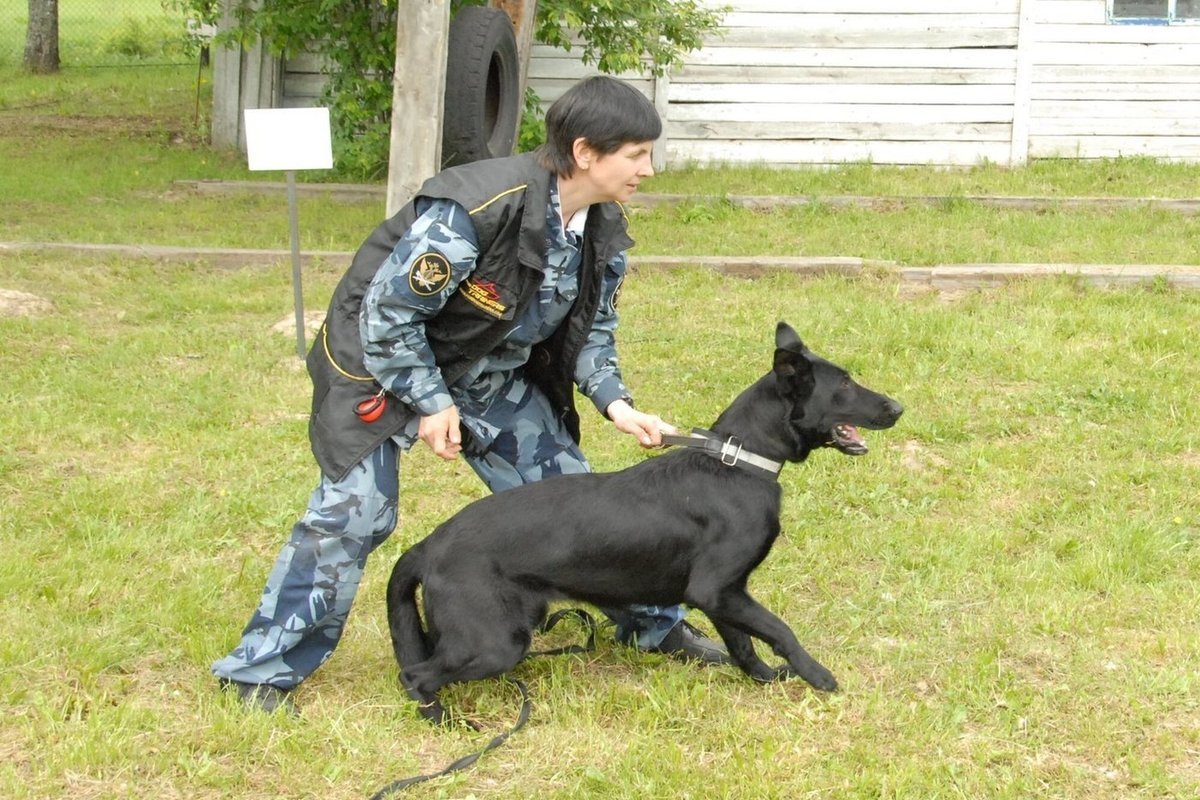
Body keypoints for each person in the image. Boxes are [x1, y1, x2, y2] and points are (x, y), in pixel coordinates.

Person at [212, 75, 730, 715]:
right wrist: (432, 402)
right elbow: (387, 318)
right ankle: (258, 672)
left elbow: (593, 330)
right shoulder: (477, 209)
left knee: (581, 503)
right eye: (637, 154)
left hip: (481, 370)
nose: (649, 169)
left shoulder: (602, 229)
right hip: (375, 364)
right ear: (586, 152)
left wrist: (617, 403)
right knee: (353, 515)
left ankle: (653, 623)